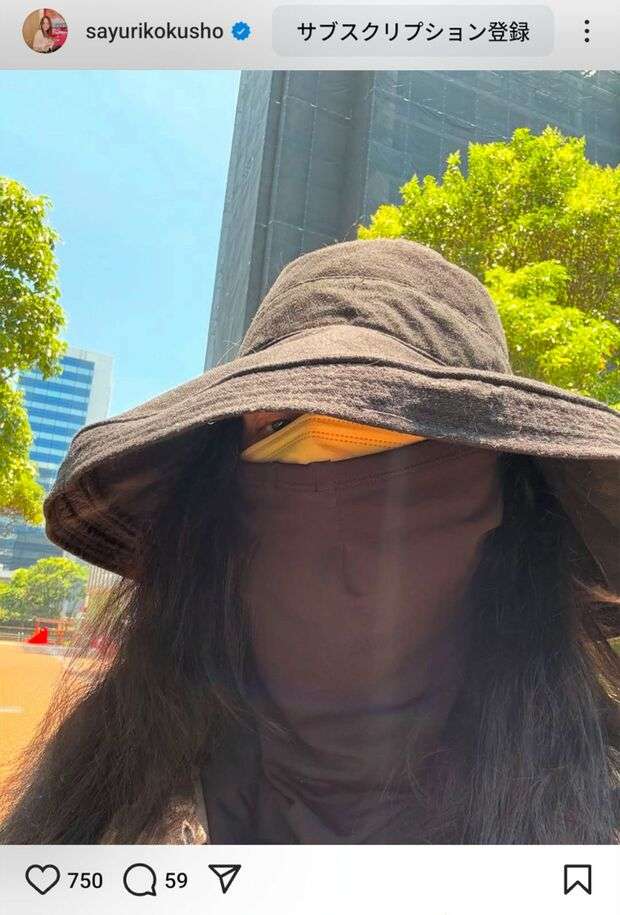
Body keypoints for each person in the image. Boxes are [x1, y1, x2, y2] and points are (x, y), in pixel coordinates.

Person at [1, 239, 618, 845]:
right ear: (217, 499)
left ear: (503, 502)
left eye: (390, 429)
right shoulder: (104, 819)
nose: (329, 471)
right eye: (281, 429)